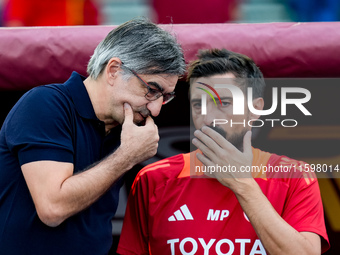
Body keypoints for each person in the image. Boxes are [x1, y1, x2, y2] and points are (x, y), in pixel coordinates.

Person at [117, 49, 330, 254]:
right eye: (199, 105)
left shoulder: (294, 176)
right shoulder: (153, 180)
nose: (208, 118)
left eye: (223, 103)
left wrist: (243, 184)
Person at [0, 18, 185, 254]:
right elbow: (53, 208)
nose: (156, 109)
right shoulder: (45, 104)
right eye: (151, 90)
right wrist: (127, 156)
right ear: (114, 70)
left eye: (165, 97)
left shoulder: (123, 127)